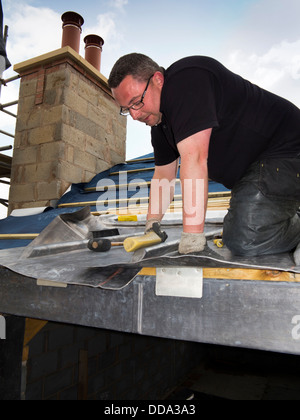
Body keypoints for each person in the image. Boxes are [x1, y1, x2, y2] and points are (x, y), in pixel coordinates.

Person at [108, 53, 300, 259]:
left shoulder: (187, 81)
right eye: (127, 109)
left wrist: (192, 238)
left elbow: (195, 159)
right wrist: (152, 224)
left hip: (288, 149)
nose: (135, 115)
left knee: (245, 237)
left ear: (158, 80)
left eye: (136, 102)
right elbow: (163, 176)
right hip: (257, 170)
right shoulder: (160, 124)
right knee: (238, 231)